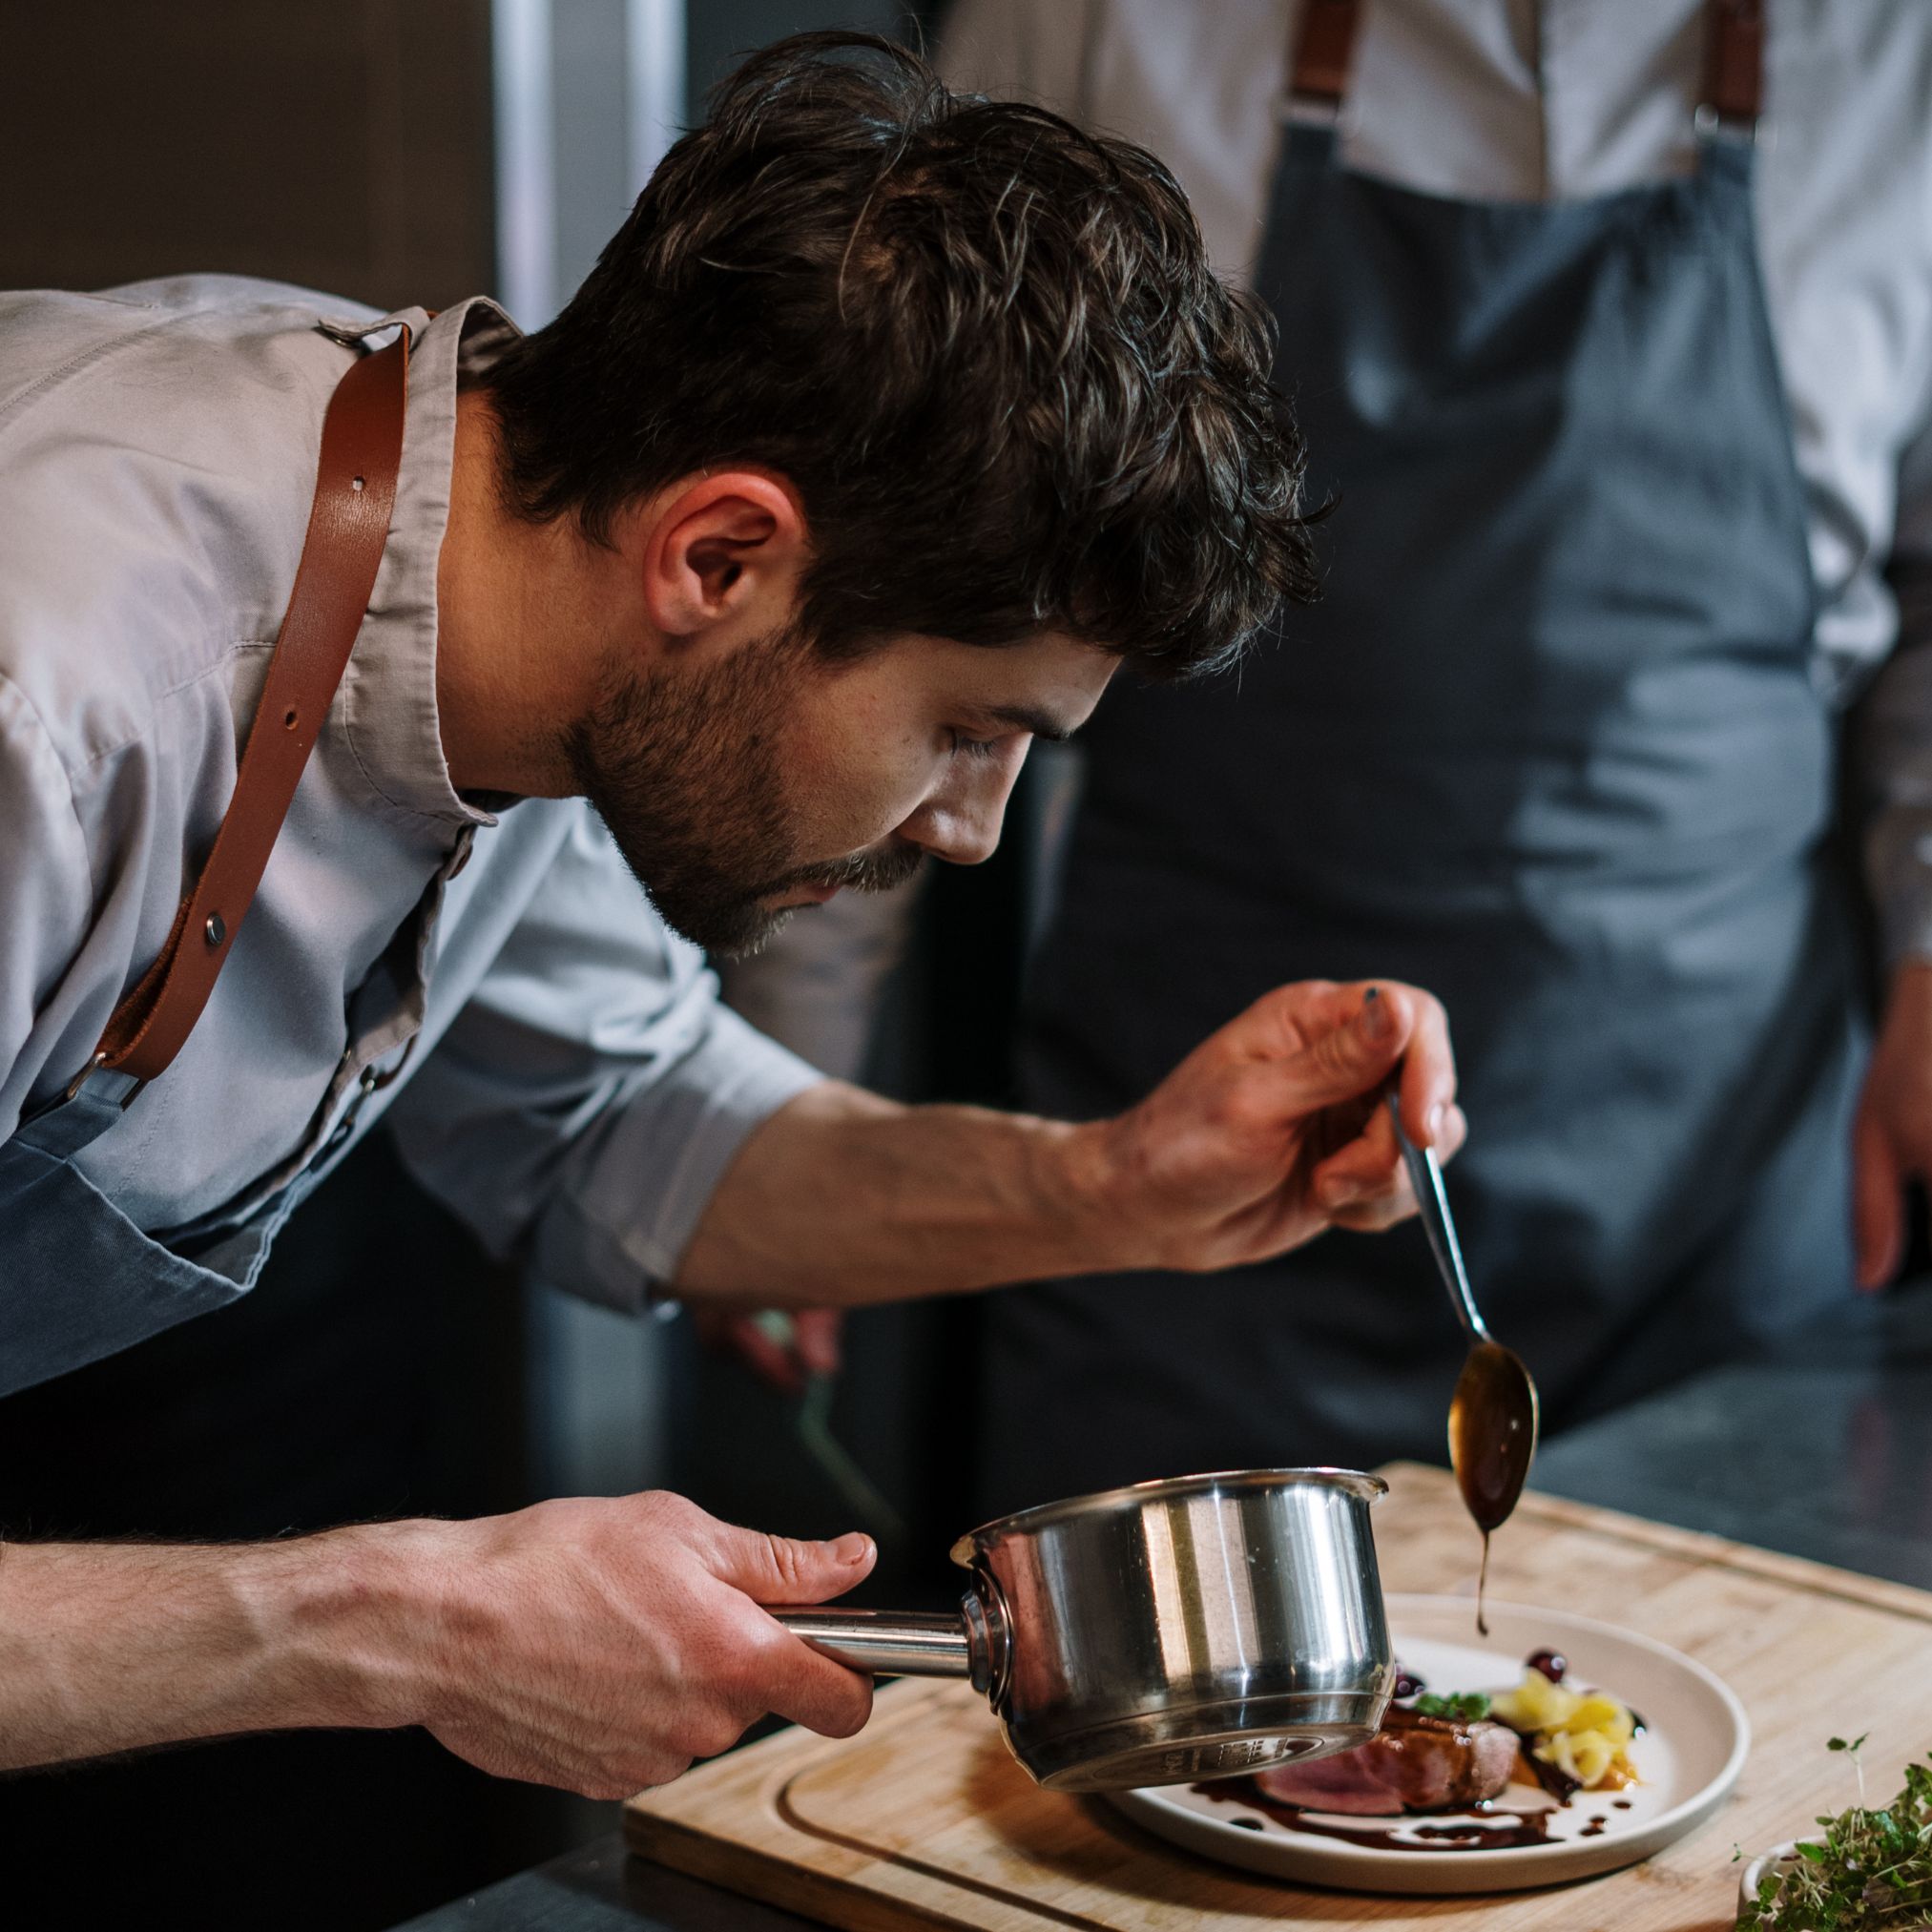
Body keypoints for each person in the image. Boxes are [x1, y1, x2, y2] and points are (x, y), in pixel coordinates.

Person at [0, 35, 1462, 1799]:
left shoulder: (509, 569)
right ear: (717, 556)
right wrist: (398, 1624)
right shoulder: (52, 709)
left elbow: (625, 1122)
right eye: (966, 728)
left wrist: (1117, 1185)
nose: (971, 829)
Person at [909, 0, 1932, 1514]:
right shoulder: (1090, 22)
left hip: (1713, 1205)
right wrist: (789, 1110)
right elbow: (890, 560)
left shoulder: (1896, 55)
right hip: (1180, 1196)